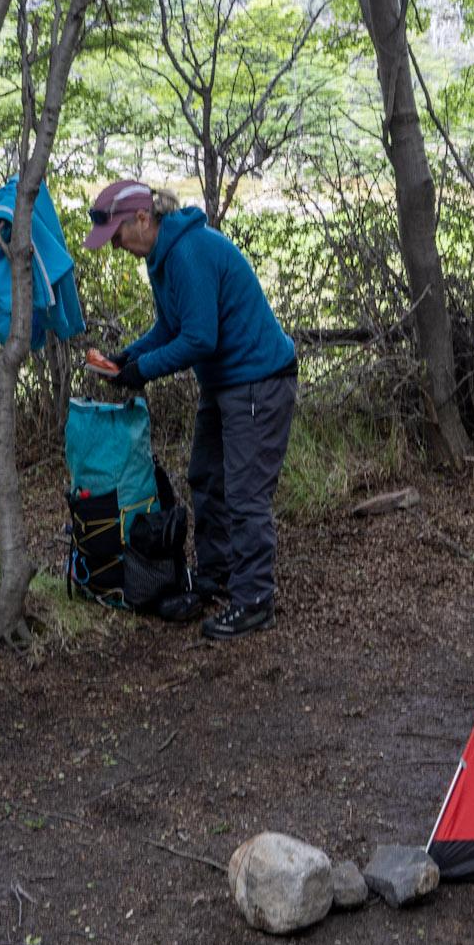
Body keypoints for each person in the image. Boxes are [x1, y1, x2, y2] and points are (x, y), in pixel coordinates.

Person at [83, 179, 297, 639]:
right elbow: (169, 327)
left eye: (118, 236)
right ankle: (218, 574)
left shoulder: (189, 251)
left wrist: (142, 372)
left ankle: (255, 599)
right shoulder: (161, 259)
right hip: (225, 385)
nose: (116, 247)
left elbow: (200, 338)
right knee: (205, 476)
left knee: (244, 493)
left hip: (259, 382)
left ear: (144, 218)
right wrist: (127, 357)